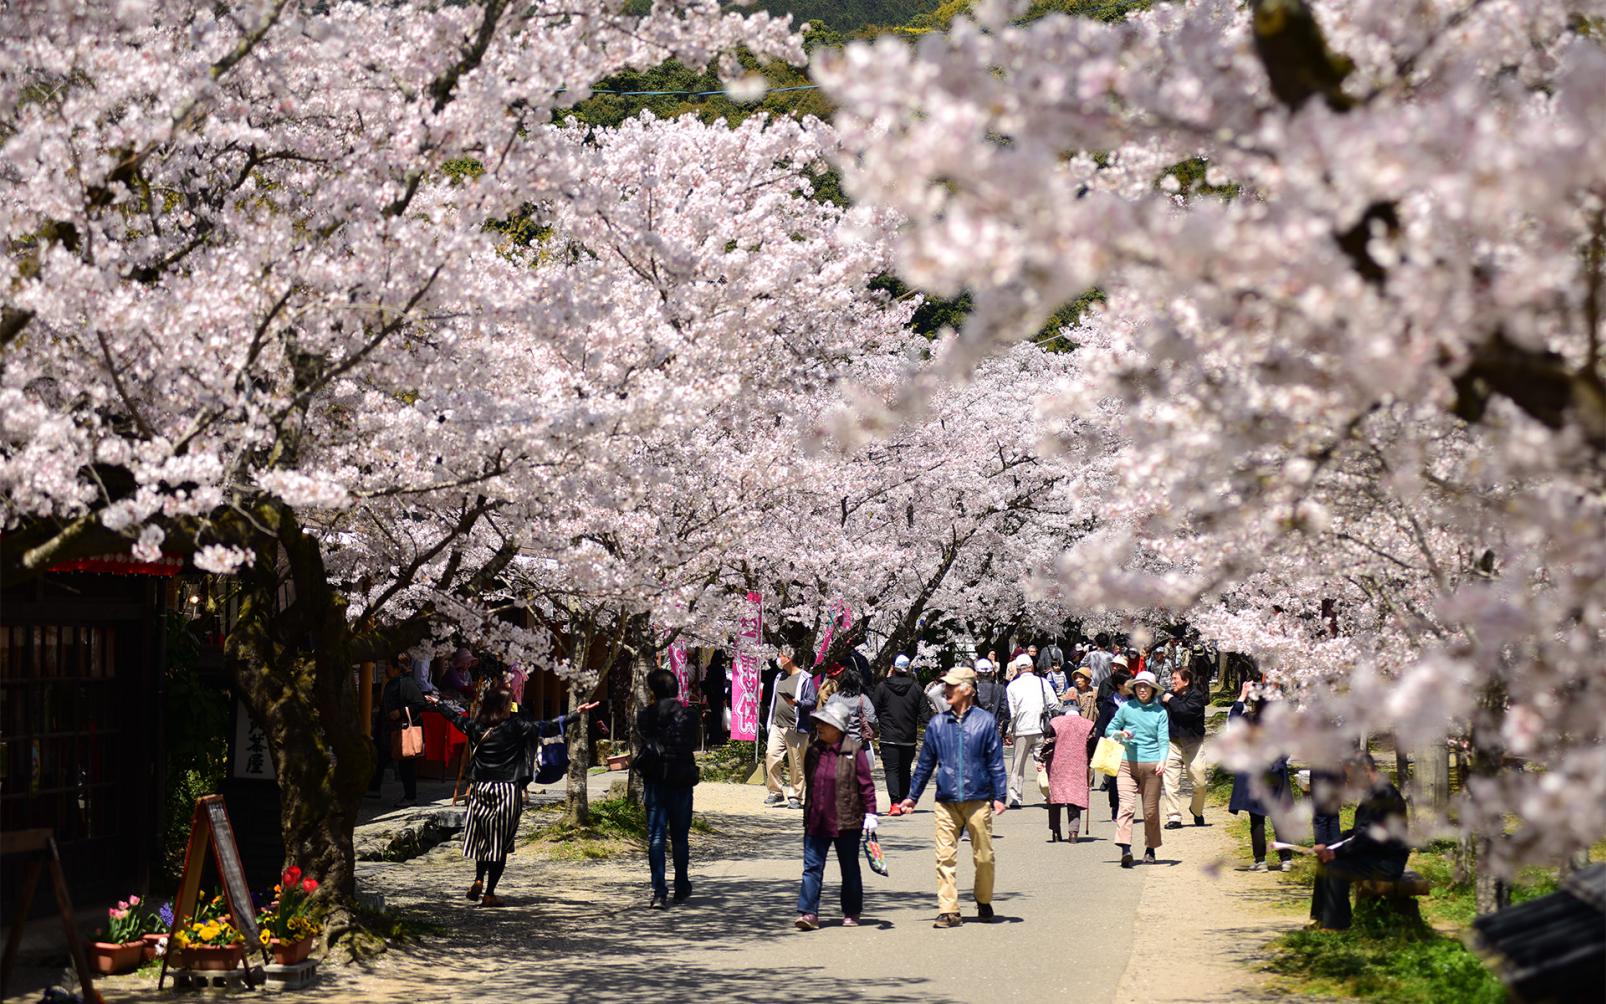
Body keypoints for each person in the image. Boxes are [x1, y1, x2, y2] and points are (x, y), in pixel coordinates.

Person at [428, 688, 597, 906]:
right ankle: (489, 893)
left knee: (483, 840)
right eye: (509, 704)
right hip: (506, 790)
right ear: (501, 707)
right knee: (500, 843)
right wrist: (575, 714)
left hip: (480, 789)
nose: (512, 707)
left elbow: (454, 718)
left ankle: (478, 879)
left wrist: (438, 704)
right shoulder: (516, 727)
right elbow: (547, 727)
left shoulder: (476, 726)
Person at [899, 665, 1008, 929]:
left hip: (978, 797)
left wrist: (1000, 794)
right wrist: (912, 796)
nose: (945, 690)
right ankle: (949, 910)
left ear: (967, 690)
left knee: (983, 856)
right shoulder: (938, 724)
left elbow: (995, 761)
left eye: (951, 686)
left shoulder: (984, 721)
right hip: (946, 799)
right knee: (944, 856)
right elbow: (925, 763)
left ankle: (983, 899)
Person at [794, 704, 878, 930]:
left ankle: (852, 912)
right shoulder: (813, 750)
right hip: (816, 819)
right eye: (819, 723)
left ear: (838, 727)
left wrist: (871, 812)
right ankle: (808, 913)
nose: (819, 727)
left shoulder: (854, 751)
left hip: (847, 821)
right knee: (811, 867)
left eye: (825, 723)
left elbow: (866, 786)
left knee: (849, 867)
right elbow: (810, 783)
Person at [1311, 754, 1410, 930]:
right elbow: (1358, 832)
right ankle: (1321, 918)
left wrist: (1337, 852)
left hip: (1387, 861)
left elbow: (1368, 837)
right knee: (1324, 861)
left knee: (1335, 868)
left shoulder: (1383, 795)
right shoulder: (1374, 793)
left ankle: (1337, 925)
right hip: (1374, 854)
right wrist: (1329, 845)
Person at [636, 668, 701, 908]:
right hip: (682, 780)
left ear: (653, 690)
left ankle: (659, 891)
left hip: (655, 782)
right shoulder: (690, 715)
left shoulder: (645, 716)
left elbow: (643, 738)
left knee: (656, 837)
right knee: (680, 837)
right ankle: (681, 885)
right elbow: (692, 742)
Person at [1105, 670, 1169, 868]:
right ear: (1134, 688)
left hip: (1152, 765)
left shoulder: (1161, 712)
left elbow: (1163, 739)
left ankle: (1151, 848)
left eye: (1146, 686)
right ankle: (1125, 848)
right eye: (1139, 686)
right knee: (1126, 806)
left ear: (1152, 690)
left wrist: (1163, 760)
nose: (1142, 690)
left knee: (1150, 812)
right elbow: (1109, 730)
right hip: (1126, 763)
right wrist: (1121, 734)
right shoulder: (1126, 708)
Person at [1227, 682, 1294, 872]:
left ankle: (1260, 860)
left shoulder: (1248, 720)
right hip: (1276, 773)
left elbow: (1232, 722)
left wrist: (1241, 697)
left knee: (1257, 818)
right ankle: (1286, 859)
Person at [872, 654, 930, 815]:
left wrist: (874, 728)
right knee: (905, 769)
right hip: (908, 737)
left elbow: (872, 710)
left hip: (888, 736)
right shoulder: (916, 688)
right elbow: (925, 714)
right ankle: (904, 802)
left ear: (892, 668)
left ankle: (895, 803)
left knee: (892, 770)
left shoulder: (882, 687)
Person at [1161, 666, 1209, 829]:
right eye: (1172, 679)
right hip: (1172, 744)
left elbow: (1185, 712)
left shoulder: (1196, 696)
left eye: (1176, 679)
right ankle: (1173, 817)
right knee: (1171, 784)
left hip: (1193, 746)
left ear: (1186, 681)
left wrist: (1170, 700)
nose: (1172, 682)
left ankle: (1196, 810)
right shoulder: (1168, 695)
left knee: (1200, 783)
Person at [1005, 654, 1056, 808]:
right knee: (1042, 763)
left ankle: (1016, 797)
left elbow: (1012, 712)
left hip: (1021, 729)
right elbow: (1053, 703)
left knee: (1018, 765)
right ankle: (1047, 795)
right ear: (1032, 667)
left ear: (1017, 669)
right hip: (1041, 728)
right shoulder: (1042, 682)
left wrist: (1009, 730)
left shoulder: (1012, 686)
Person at [375, 657, 426, 807]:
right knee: (381, 757)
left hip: (402, 730)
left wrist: (401, 712)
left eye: (389, 666)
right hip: (389, 729)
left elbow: (419, 703)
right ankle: (374, 787)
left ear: (398, 668)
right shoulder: (392, 683)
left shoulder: (407, 683)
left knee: (406, 764)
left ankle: (410, 796)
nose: (386, 669)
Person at [765, 650, 812, 810]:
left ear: (789, 658)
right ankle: (775, 791)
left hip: (796, 727)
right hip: (777, 725)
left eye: (780, 655)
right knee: (771, 755)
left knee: (796, 763)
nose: (778, 659)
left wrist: (797, 703)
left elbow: (812, 702)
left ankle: (796, 796)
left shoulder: (805, 679)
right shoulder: (779, 677)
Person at [1041, 699, 1094, 842]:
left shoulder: (1055, 722)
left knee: (1055, 798)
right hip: (1078, 765)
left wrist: (1041, 759)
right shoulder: (1087, 724)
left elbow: (1049, 744)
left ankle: (1055, 831)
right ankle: (1073, 833)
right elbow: (1091, 746)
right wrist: (1089, 761)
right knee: (1074, 798)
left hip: (1057, 765)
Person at [1090, 668, 1132, 822]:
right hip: (1114, 745)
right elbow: (1102, 725)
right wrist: (1096, 744)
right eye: (1129, 682)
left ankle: (1126, 808)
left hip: (1132, 745)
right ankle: (1115, 807)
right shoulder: (1109, 702)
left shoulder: (1135, 701)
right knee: (1114, 780)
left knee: (1130, 780)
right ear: (1120, 685)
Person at [973, 657, 1009, 740]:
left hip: (976, 731)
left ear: (976, 673)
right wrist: (1002, 731)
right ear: (992, 673)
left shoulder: (972, 689)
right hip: (994, 730)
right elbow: (1005, 711)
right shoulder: (1000, 689)